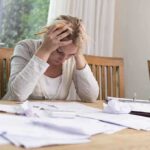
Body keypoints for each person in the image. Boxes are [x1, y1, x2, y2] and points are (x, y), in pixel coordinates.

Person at [2, 15, 99, 102]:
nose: (63, 59)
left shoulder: (73, 56)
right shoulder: (25, 47)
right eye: (59, 51)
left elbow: (91, 97)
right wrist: (44, 51)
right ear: (48, 39)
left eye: (70, 55)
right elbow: (17, 95)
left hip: (51, 120)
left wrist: (78, 54)